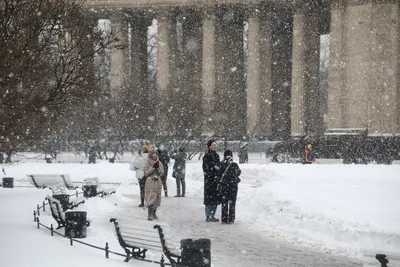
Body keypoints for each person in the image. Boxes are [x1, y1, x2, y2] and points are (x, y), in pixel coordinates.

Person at [218, 150, 241, 224]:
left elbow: (219, 174)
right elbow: (238, 172)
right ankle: (231, 218)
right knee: (232, 202)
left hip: (224, 186)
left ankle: (224, 218)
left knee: (224, 202)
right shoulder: (234, 164)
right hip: (233, 186)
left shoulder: (221, 164)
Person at [142, 149, 164, 221]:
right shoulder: (147, 162)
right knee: (150, 197)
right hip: (150, 182)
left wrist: (158, 168)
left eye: (156, 154)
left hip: (158, 183)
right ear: (150, 155)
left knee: (157, 199)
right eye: (153, 154)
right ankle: (150, 214)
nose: (155, 155)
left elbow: (162, 173)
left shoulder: (159, 162)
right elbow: (145, 173)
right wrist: (152, 168)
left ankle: (154, 213)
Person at [202, 139, 220, 222]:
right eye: (213, 145)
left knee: (215, 198)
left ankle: (212, 215)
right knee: (209, 198)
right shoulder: (207, 156)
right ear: (209, 146)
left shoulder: (216, 155)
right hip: (209, 180)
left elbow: (219, 166)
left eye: (215, 145)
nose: (215, 146)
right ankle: (208, 215)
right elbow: (205, 168)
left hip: (216, 180)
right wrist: (212, 169)